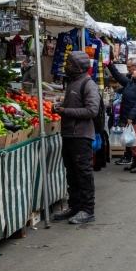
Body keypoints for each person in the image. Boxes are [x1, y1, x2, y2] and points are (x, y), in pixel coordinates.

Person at [53, 52, 100, 224]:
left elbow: (91, 111)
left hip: (80, 136)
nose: (66, 66)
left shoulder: (88, 84)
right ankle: (74, 205)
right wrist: (62, 106)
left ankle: (88, 209)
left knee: (83, 173)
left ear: (78, 66)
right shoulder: (73, 82)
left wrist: (66, 111)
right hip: (69, 135)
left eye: (69, 63)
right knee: (71, 173)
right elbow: (74, 105)